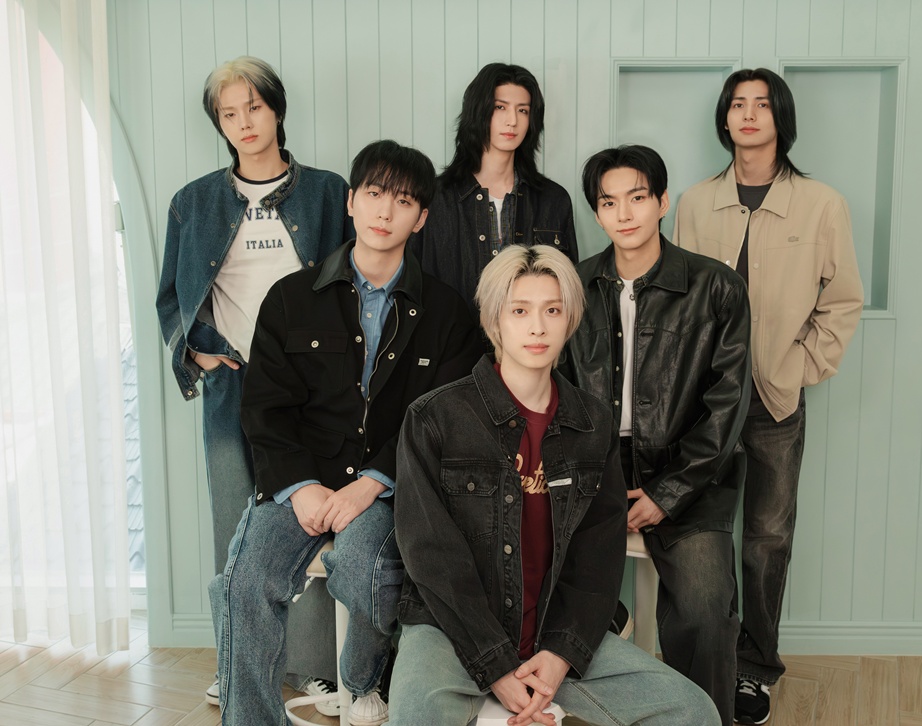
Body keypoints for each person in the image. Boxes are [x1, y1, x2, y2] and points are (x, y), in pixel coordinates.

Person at [208, 139, 482, 726]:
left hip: (388, 486)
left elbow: (440, 418)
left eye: (403, 201)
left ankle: (362, 681)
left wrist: (374, 482)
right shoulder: (291, 297)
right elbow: (265, 408)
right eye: (376, 194)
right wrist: (300, 486)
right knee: (243, 583)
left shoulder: (448, 313)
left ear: (421, 217)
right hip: (300, 478)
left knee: (365, 568)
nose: (386, 211)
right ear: (352, 201)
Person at [390, 245, 720, 726]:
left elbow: (598, 556)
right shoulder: (434, 418)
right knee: (415, 717)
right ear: (494, 321)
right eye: (520, 311)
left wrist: (562, 653)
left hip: (554, 632)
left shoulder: (593, 424)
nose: (538, 327)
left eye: (552, 310)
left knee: (694, 711)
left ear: (570, 321)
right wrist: (495, 664)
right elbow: (431, 556)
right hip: (454, 632)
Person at [154, 55, 352, 710]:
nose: (244, 122)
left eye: (254, 107)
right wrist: (201, 353)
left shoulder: (327, 193)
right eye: (229, 113)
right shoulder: (193, 203)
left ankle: (314, 664)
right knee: (237, 527)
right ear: (219, 123)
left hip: (313, 389)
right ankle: (238, 662)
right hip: (233, 387)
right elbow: (171, 298)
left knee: (312, 518)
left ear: (277, 110)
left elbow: (353, 282)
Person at [673, 68, 864, 725]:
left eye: (761, 104)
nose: (748, 114)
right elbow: (679, 299)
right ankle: (706, 664)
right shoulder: (695, 203)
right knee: (700, 535)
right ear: (724, 118)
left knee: (766, 539)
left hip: (775, 400)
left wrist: (801, 366)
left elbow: (842, 301)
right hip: (702, 402)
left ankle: (754, 670)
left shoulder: (822, 204)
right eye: (737, 104)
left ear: (781, 117)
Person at [564, 145, 752, 725]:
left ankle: (703, 717)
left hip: (689, 471)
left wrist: (668, 494)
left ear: (663, 202)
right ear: (597, 212)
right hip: (594, 466)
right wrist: (591, 482)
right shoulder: (573, 287)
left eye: (638, 197)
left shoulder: (716, 287)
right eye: (608, 202)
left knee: (704, 606)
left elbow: (726, 407)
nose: (624, 214)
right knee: (539, 582)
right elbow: (554, 394)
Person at [410, 62, 578, 320]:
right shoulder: (435, 198)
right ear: (478, 111)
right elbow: (412, 285)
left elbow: (570, 293)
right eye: (500, 107)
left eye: (523, 110)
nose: (512, 121)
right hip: (452, 342)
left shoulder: (553, 200)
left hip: (533, 341)